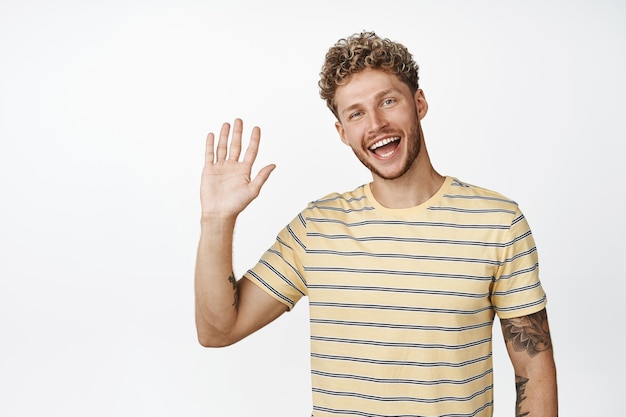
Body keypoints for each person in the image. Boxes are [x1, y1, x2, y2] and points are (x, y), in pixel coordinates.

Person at [195, 31, 558, 417]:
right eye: (356, 113)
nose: (376, 124)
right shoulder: (316, 228)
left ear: (418, 103)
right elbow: (218, 330)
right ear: (342, 133)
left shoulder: (497, 221)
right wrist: (217, 221)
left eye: (388, 101)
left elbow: (532, 367)